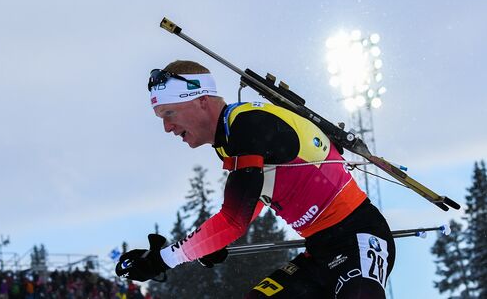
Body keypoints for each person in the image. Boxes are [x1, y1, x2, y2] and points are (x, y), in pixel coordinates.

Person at [117, 60, 396, 298]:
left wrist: (163, 259)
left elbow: (233, 220)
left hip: (359, 237)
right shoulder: (228, 139)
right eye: (161, 118)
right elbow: (256, 199)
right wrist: (214, 242)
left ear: (202, 101)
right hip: (321, 250)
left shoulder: (245, 126)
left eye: (169, 113)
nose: (167, 127)